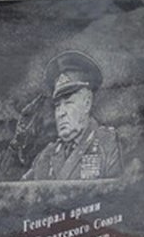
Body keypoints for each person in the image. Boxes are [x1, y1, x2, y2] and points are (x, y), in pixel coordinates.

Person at [23, 50, 122, 181]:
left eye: (68, 103)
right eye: (57, 105)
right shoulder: (47, 155)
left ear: (87, 104)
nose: (61, 113)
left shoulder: (109, 144)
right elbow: (16, 191)